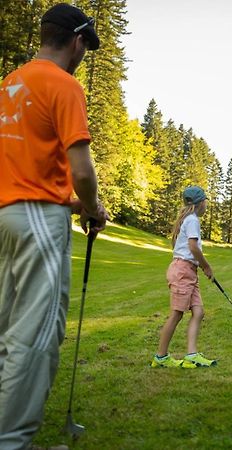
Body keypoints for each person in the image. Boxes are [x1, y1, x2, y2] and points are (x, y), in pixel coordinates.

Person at [0, 3, 109, 450]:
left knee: (7, 330)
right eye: (87, 46)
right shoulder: (64, 85)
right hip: (38, 218)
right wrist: (93, 207)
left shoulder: (10, 82)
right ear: (78, 41)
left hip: (4, 215)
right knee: (35, 335)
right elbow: (81, 171)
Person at [151, 186, 217, 369]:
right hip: (182, 271)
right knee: (177, 314)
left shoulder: (189, 220)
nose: (206, 205)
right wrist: (207, 266)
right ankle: (161, 357)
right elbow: (193, 247)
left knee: (198, 312)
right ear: (199, 203)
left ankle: (192, 355)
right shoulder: (192, 220)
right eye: (205, 201)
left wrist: (199, 267)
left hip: (189, 272)